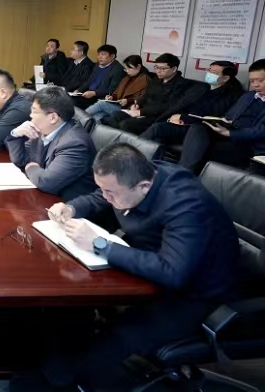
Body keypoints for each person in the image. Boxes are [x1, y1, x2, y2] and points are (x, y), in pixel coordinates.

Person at [36, 144, 238, 391]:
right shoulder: (139, 175)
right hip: (153, 268)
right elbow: (101, 196)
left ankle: (66, 381)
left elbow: (172, 272)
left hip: (196, 293)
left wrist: (99, 244)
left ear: (143, 186)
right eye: (103, 189)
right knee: (73, 309)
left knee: (112, 340)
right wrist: (71, 208)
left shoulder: (187, 205)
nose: (106, 197)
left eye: (111, 192)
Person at [5, 87, 97, 200]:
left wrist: (30, 167)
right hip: (46, 198)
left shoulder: (75, 144)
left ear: (53, 117)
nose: (31, 116)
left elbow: (46, 182)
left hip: (69, 205)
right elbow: (20, 160)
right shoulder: (44, 129)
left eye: (34, 111)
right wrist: (15, 135)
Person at [176, 58, 265, 173]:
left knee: (197, 149)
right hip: (230, 135)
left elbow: (261, 131)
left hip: (250, 146)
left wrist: (230, 133)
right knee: (199, 128)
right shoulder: (249, 96)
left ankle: (180, 174)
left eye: (260, 81)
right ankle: (181, 174)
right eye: (252, 81)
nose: (255, 85)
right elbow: (230, 115)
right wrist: (225, 122)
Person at [140, 61, 244, 150]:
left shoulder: (231, 96)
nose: (209, 73)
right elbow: (181, 104)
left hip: (198, 129)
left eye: (214, 72)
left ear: (225, 78)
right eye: (209, 70)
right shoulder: (201, 88)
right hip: (180, 123)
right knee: (157, 139)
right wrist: (174, 116)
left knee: (157, 128)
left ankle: (131, 156)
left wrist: (184, 118)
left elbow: (212, 117)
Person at [102, 53, 197, 135]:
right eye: (156, 67)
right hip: (143, 112)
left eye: (163, 68)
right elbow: (145, 96)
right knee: (114, 116)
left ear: (174, 69)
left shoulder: (181, 85)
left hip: (158, 117)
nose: (158, 71)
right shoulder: (156, 80)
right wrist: (137, 104)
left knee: (125, 125)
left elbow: (168, 107)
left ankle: (128, 146)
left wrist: (141, 112)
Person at [86, 55, 151, 122]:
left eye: (129, 68)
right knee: (98, 116)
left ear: (139, 66)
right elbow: (118, 92)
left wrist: (128, 100)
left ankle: (81, 118)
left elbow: (144, 97)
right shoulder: (127, 78)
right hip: (119, 105)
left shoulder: (146, 80)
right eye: (126, 69)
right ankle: (88, 124)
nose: (127, 71)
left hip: (130, 109)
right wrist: (112, 97)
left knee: (101, 104)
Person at [71, 44, 126, 110]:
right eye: (98, 54)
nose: (100, 57)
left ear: (112, 56)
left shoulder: (118, 69)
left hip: (100, 98)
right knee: (69, 99)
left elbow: (112, 90)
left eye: (103, 54)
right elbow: (89, 81)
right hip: (89, 94)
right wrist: (79, 90)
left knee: (74, 102)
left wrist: (94, 93)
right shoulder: (97, 65)